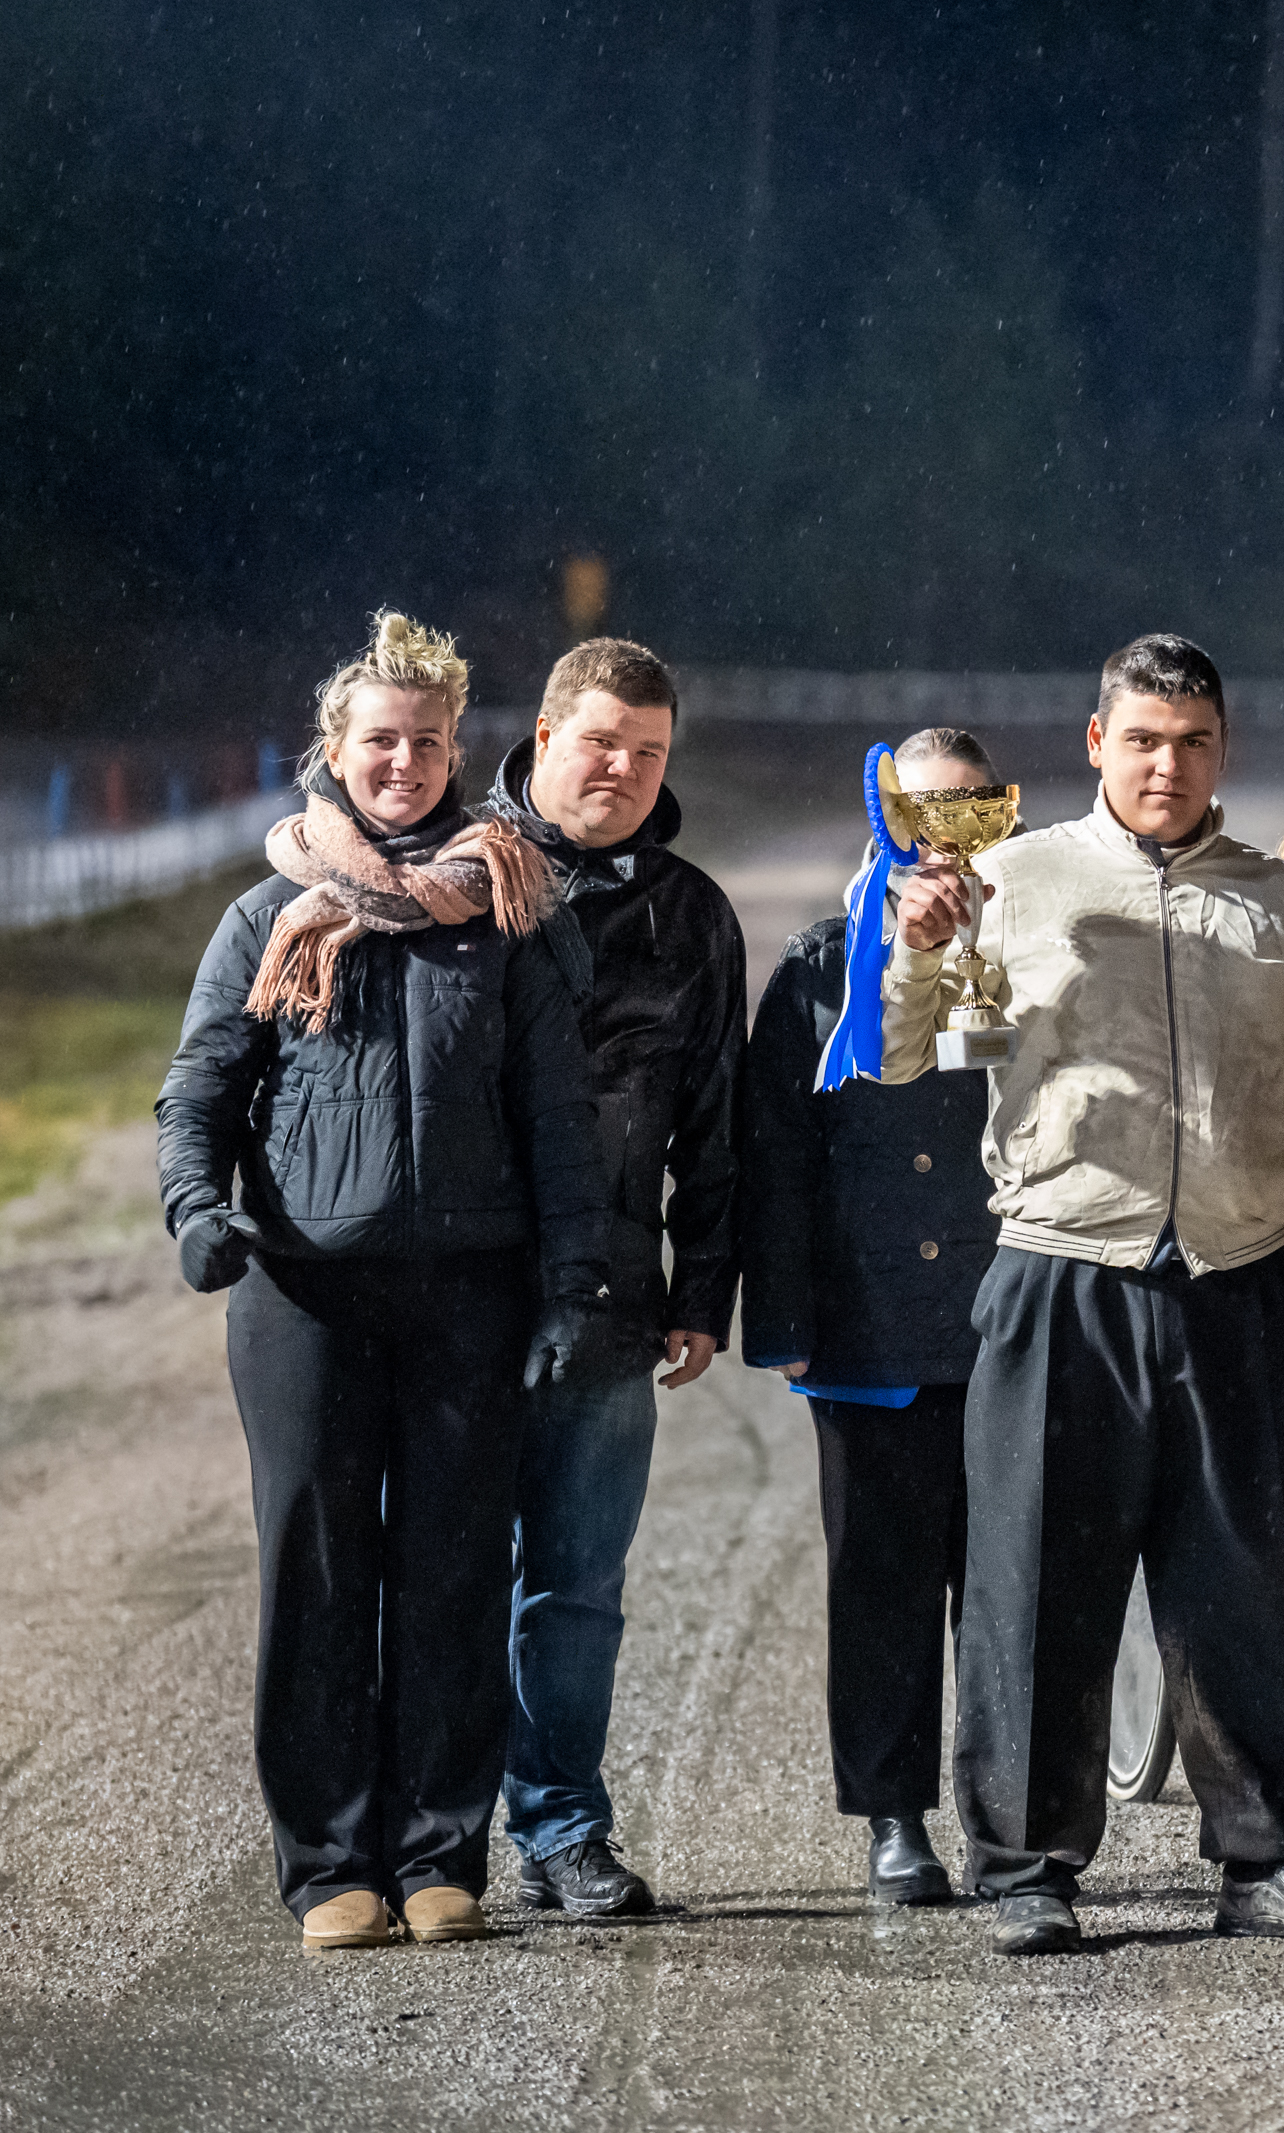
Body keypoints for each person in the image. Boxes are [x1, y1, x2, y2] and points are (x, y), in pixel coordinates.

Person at [884, 633, 1284, 1955]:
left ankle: (1265, 1862)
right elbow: (908, 1055)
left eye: (1191, 742)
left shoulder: (1279, 902)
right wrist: (914, 950)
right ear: (1096, 742)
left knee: (1244, 1590)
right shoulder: (1010, 877)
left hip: (1241, 1284)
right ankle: (1026, 1868)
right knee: (1034, 1590)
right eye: (1140, 740)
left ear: (1221, 748)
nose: (1166, 766)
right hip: (1063, 1273)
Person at [155, 611, 609, 1951]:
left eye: (425, 741)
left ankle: (436, 1854)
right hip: (305, 1297)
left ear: (455, 749)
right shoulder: (267, 916)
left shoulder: (509, 909)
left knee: (452, 1576)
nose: (402, 762)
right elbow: (198, 1092)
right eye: (380, 741)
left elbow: (559, 1119)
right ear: (334, 750)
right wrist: (197, 1211)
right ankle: (328, 1865)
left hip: (471, 1294)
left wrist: (573, 1282)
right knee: (319, 1578)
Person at [479, 638, 744, 1918]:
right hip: (456, 1289)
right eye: (601, 743)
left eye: (649, 752)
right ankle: (425, 1838)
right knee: (437, 1577)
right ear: (543, 736)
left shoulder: (690, 913)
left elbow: (717, 1122)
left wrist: (703, 1291)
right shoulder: (452, 873)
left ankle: (562, 1827)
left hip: (613, 1300)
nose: (624, 771)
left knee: (577, 1589)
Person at [737, 726, 1005, 1907]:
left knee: (1006, 1595)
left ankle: (1011, 1819)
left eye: (969, 807)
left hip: (1007, 1318)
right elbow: (776, 1155)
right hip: (869, 1324)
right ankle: (894, 1816)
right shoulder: (818, 961)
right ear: (885, 815)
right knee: (882, 1591)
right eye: (921, 809)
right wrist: (784, 1320)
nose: (943, 833)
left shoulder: (1033, 945)